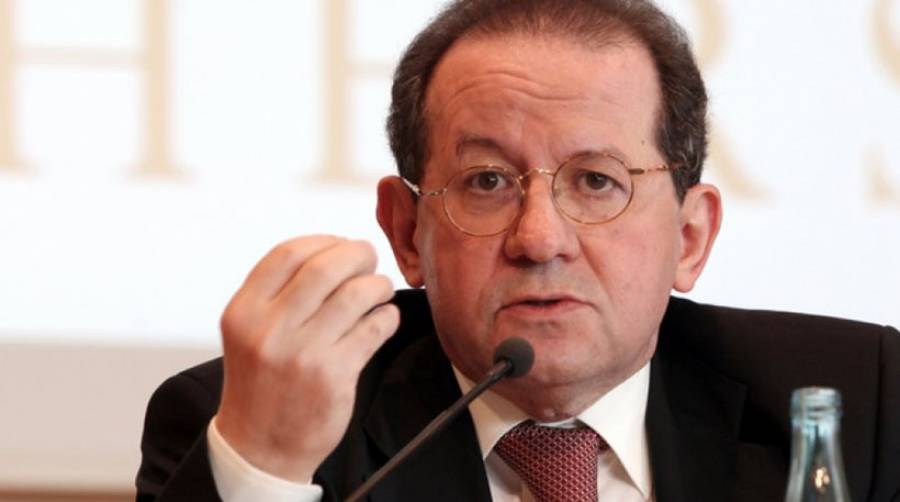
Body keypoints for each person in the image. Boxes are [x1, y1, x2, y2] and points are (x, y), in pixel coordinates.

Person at [135, 0, 900, 501]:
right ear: (406, 232)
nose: (538, 239)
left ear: (690, 238)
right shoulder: (262, 426)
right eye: (487, 181)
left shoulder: (864, 403)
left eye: (596, 181)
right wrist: (266, 467)